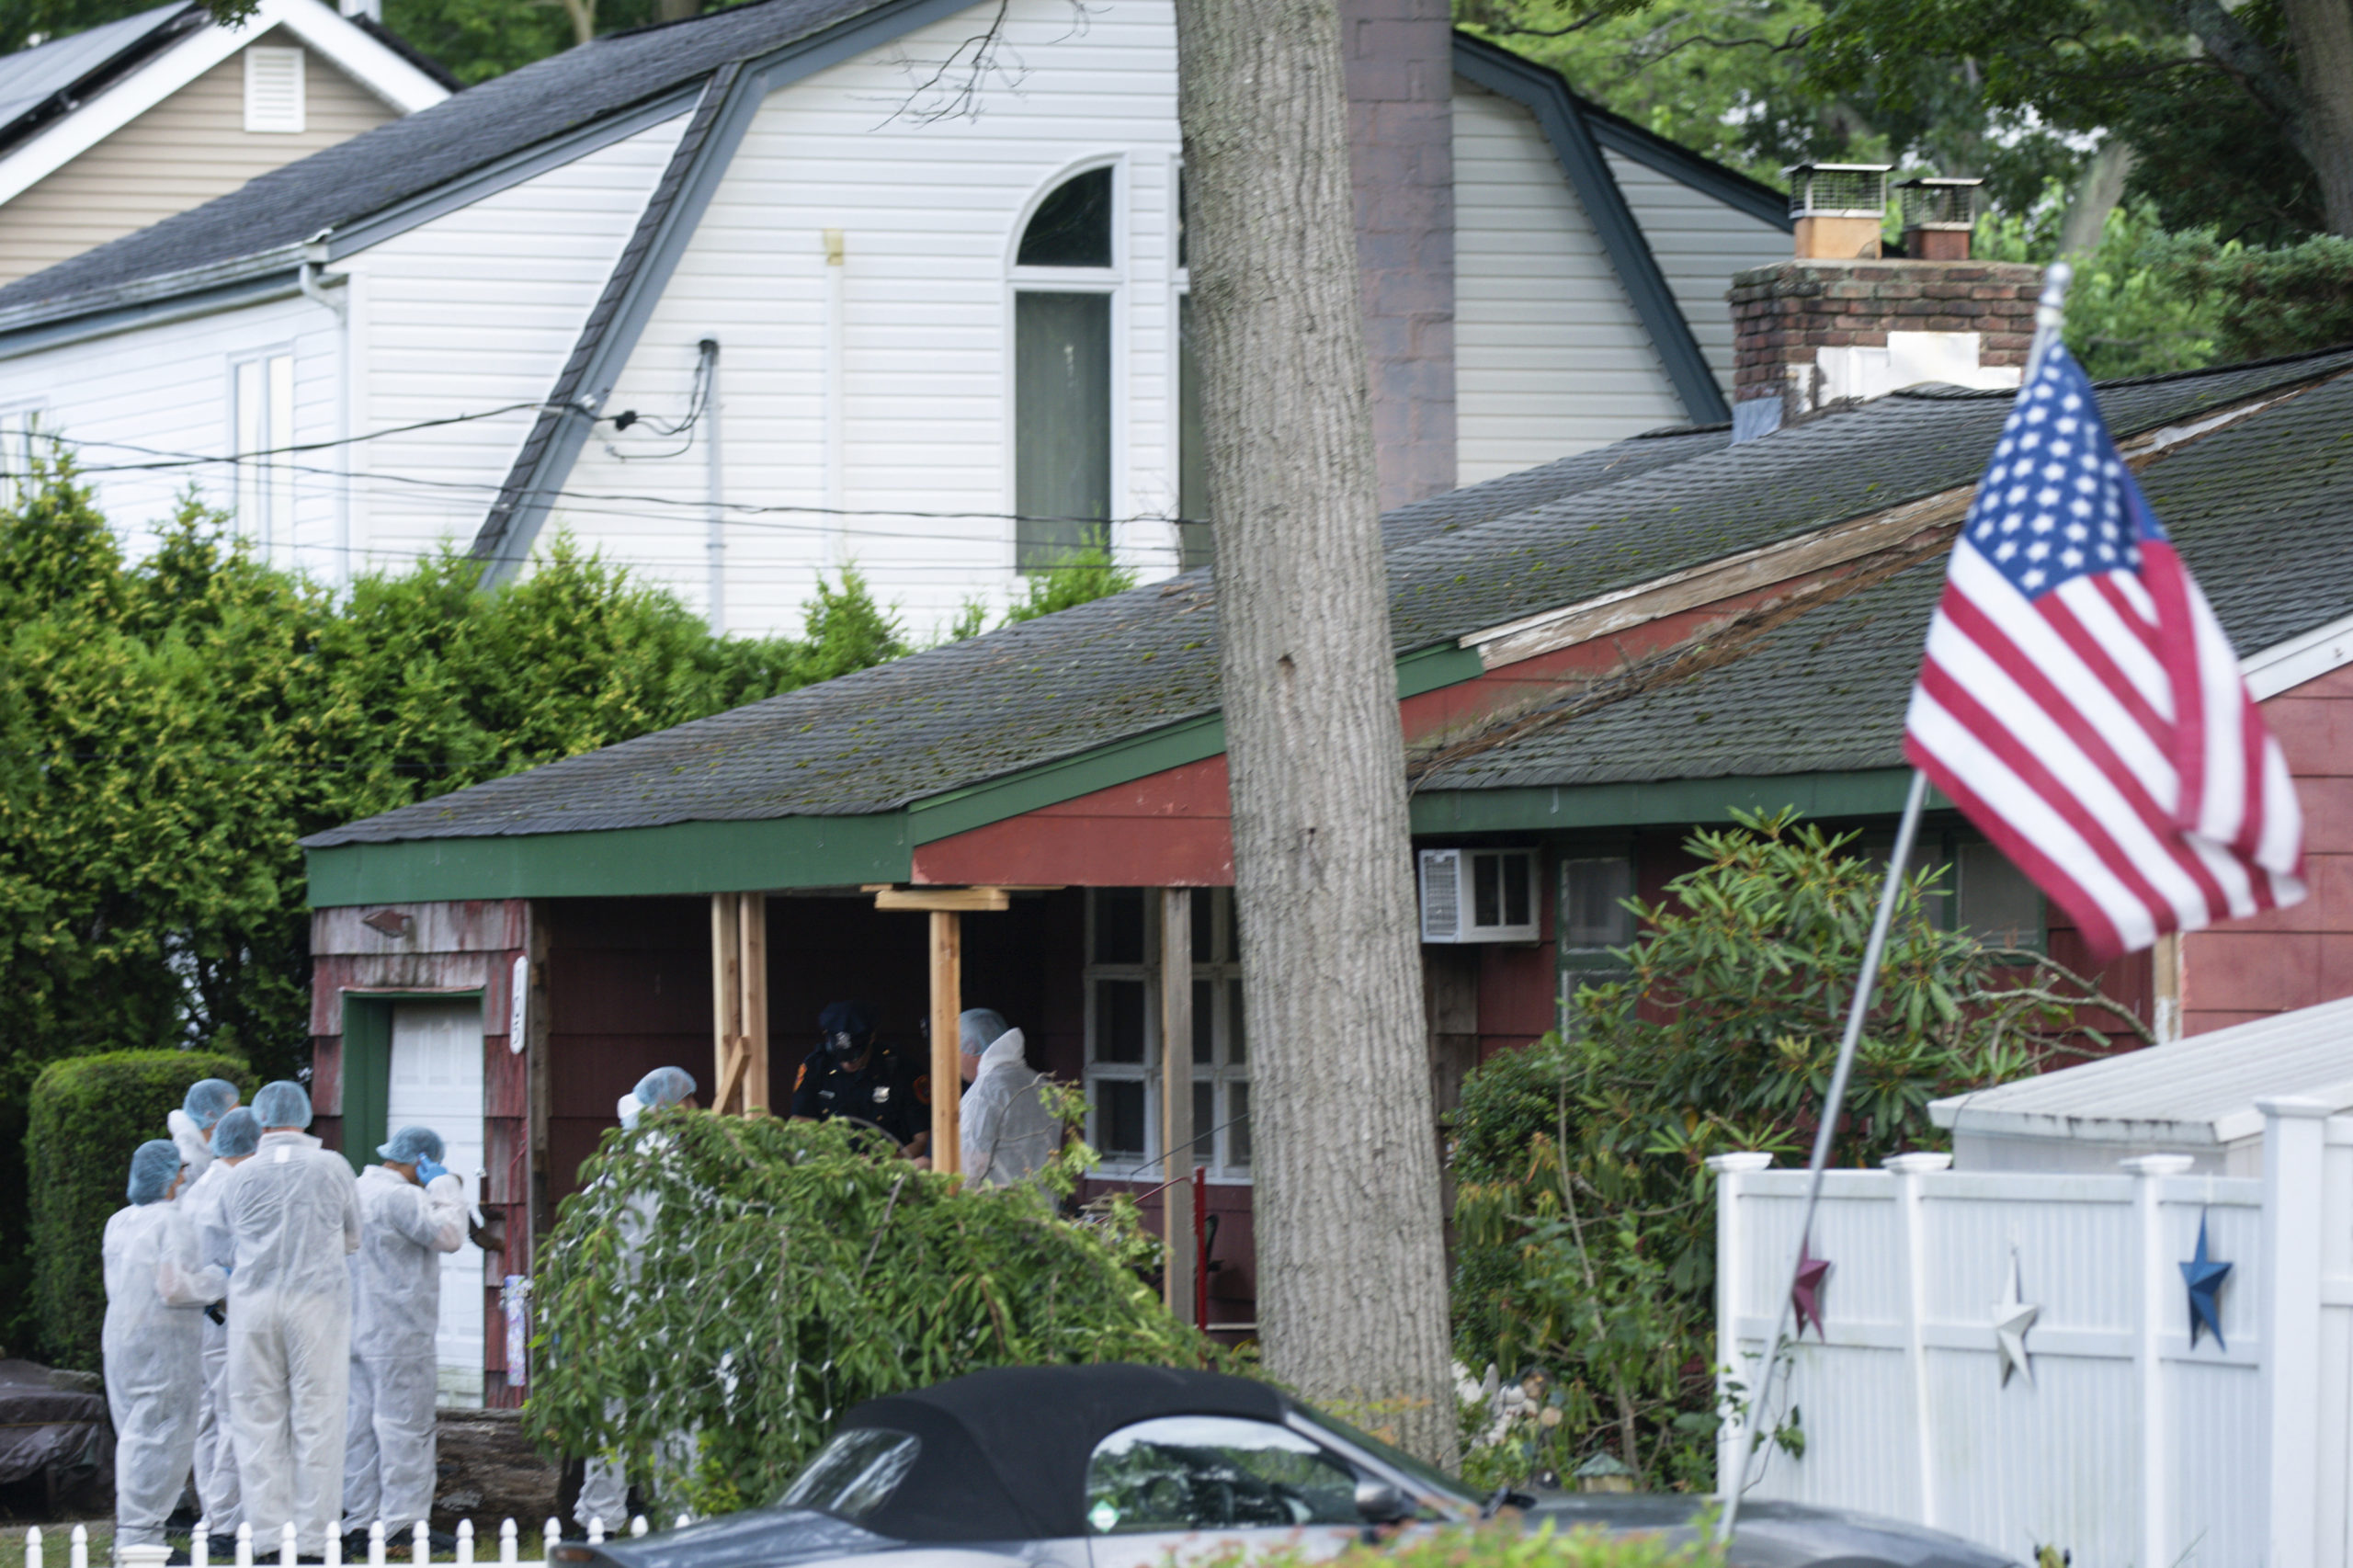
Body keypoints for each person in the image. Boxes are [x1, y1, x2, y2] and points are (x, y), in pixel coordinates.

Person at [211, 1081, 360, 1560]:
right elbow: (353, 1237)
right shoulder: (332, 1167)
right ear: (305, 1115)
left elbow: (222, 1246)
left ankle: (270, 1541)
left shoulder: (238, 1175)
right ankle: (315, 1542)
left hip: (253, 1308)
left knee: (257, 1420)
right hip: (316, 1304)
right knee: (319, 1417)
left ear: (260, 1118)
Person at [573, 1068, 698, 1533]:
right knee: (675, 1413)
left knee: (611, 1417)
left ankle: (600, 1516)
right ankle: (680, 1510)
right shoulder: (669, 1165)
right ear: (674, 1107)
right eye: (690, 1101)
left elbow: (584, 1237)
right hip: (661, 1308)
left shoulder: (615, 1163)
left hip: (614, 1308)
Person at [343, 1125, 467, 1538]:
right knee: (405, 1429)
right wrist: (444, 1186)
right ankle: (403, 1524)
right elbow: (449, 1236)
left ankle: (359, 1521)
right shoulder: (403, 1196)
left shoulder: (355, 1190)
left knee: (358, 1428)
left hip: (354, 1327)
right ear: (421, 1161)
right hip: (399, 1332)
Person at [102, 1140, 219, 1559]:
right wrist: (217, 1278)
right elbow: (174, 1287)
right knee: (161, 1441)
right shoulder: (174, 1222)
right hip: (163, 1345)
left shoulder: (119, 1221)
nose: (184, 1177)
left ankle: (133, 1536)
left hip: (122, 1339)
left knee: (135, 1435)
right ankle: (141, 1542)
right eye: (180, 1170)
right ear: (168, 1177)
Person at [181, 1107, 261, 1546]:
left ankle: (214, 1513)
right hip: (228, 1316)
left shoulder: (202, 1185)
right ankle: (227, 1523)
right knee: (235, 1418)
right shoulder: (237, 1186)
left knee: (209, 1420)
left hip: (202, 1319)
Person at [790, 1002, 925, 1156]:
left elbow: (923, 1139)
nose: (847, 1063)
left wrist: (886, 1162)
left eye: (855, 1056)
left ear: (871, 1038)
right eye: (841, 1056)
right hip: (830, 1168)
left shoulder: (899, 1069)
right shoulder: (817, 1066)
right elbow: (799, 1122)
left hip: (889, 1171)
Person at [956, 1009, 1059, 1187]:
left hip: (993, 1210)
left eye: (954, 1050)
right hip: (1042, 1207)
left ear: (971, 1046)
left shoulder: (983, 1094)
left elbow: (969, 1168)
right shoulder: (1039, 1084)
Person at [169, 1078, 241, 1185]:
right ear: (210, 1115)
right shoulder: (188, 1159)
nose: (238, 1119)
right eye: (232, 1114)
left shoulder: (210, 1145)